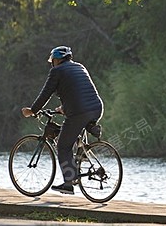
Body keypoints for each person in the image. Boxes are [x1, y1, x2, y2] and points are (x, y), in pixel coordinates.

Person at [21, 46, 104, 194]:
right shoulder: (79, 67)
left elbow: (45, 94)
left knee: (63, 146)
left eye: (52, 60)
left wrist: (32, 110)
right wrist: (64, 108)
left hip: (79, 112)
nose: (52, 63)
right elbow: (79, 92)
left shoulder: (56, 71)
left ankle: (68, 183)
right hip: (96, 108)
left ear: (57, 60)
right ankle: (82, 152)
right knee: (75, 129)